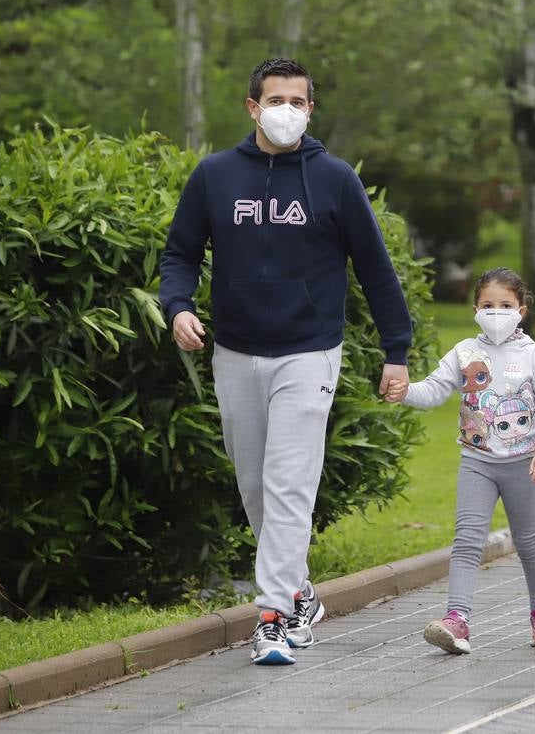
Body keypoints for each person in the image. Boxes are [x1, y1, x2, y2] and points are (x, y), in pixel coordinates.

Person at [159, 57, 413, 665]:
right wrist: (177, 308)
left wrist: (395, 351)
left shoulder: (333, 180)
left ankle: (271, 617)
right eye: (277, 100)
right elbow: (180, 253)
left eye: (298, 102)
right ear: (252, 107)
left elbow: (376, 271)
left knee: (289, 482)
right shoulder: (215, 177)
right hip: (236, 352)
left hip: (310, 352)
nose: (287, 112)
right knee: (255, 486)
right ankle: (298, 593)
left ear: (310, 109)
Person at [399, 267, 535, 655]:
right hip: (477, 461)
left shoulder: (534, 356)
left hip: (525, 463)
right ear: (475, 309)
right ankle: (457, 619)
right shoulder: (464, 353)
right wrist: (404, 391)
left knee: (527, 540)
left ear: (521, 311)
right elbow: (433, 390)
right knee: (467, 539)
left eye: (505, 305)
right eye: (488, 305)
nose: (496, 312)